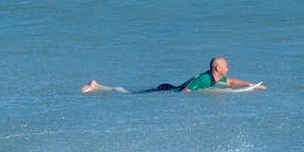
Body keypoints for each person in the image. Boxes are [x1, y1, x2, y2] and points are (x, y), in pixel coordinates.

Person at [80, 56, 264, 94]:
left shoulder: (216, 78)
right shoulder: (204, 78)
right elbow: (185, 91)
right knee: (130, 94)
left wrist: (252, 85)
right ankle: (96, 86)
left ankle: (97, 86)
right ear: (217, 69)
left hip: (170, 88)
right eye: (226, 67)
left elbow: (231, 82)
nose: (228, 69)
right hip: (166, 90)